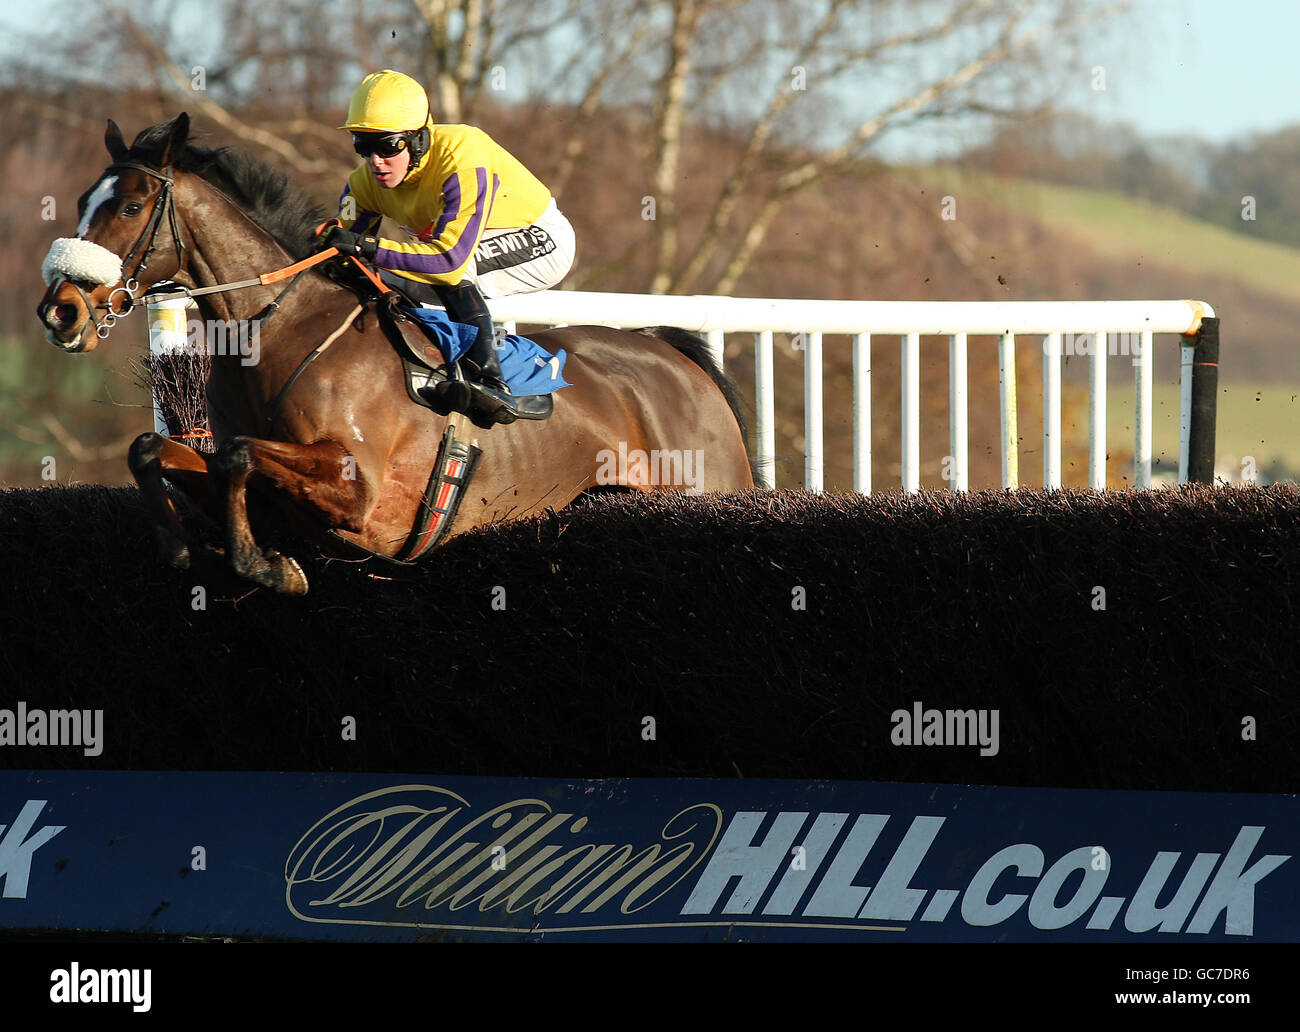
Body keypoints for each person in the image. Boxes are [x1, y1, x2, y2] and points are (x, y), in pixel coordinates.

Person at [320, 69, 575, 423]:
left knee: (451, 272)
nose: (376, 161)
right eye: (363, 145)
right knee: (378, 277)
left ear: (419, 140)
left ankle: (493, 381)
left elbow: (449, 261)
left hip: (542, 240)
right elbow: (347, 261)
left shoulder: (462, 153)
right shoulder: (362, 184)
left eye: (388, 145)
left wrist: (367, 247)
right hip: (458, 252)